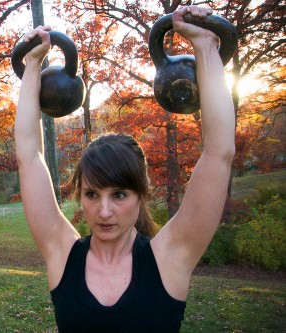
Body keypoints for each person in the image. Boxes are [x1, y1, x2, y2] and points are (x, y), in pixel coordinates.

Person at [14, 5, 235, 333]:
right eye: (92, 194)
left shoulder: (169, 258)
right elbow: (28, 157)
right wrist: (32, 64)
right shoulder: (63, 256)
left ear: (141, 194)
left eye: (119, 194)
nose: (104, 211)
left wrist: (204, 45)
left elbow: (219, 152)